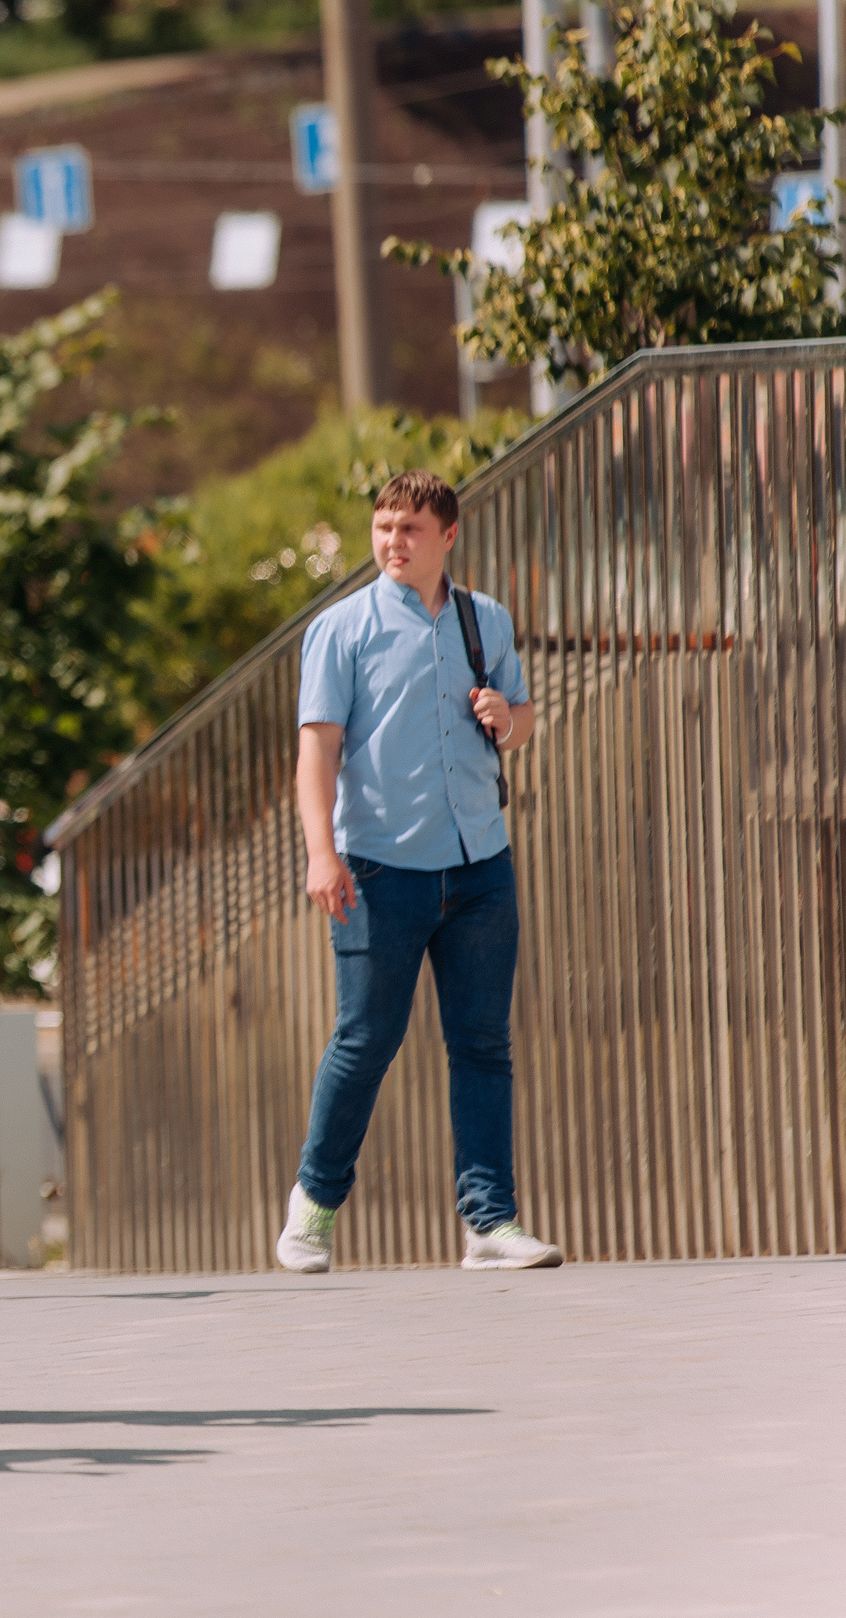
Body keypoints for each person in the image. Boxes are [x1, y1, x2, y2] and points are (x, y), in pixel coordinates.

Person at [277, 470, 562, 1274]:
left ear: (448, 536)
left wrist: (511, 722)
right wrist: (320, 853)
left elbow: (524, 714)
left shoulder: (486, 619)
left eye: (409, 528)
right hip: (378, 868)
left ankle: (491, 1222)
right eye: (382, 527)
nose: (393, 542)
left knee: (481, 1042)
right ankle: (314, 1205)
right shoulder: (342, 629)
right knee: (364, 1039)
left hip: (479, 864)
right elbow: (317, 752)